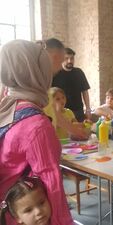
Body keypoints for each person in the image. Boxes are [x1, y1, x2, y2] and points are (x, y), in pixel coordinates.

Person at [0, 40, 73, 225]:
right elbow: (52, 185)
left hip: (10, 209)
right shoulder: (36, 125)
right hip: (25, 216)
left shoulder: (7, 107)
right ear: (37, 72)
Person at [52, 47, 91, 122]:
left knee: (79, 131)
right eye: (66, 58)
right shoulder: (55, 74)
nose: (70, 61)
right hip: (61, 111)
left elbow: (85, 91)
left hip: (78, 111)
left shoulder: (79, 72)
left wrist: (88, 109)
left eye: (72, 58)